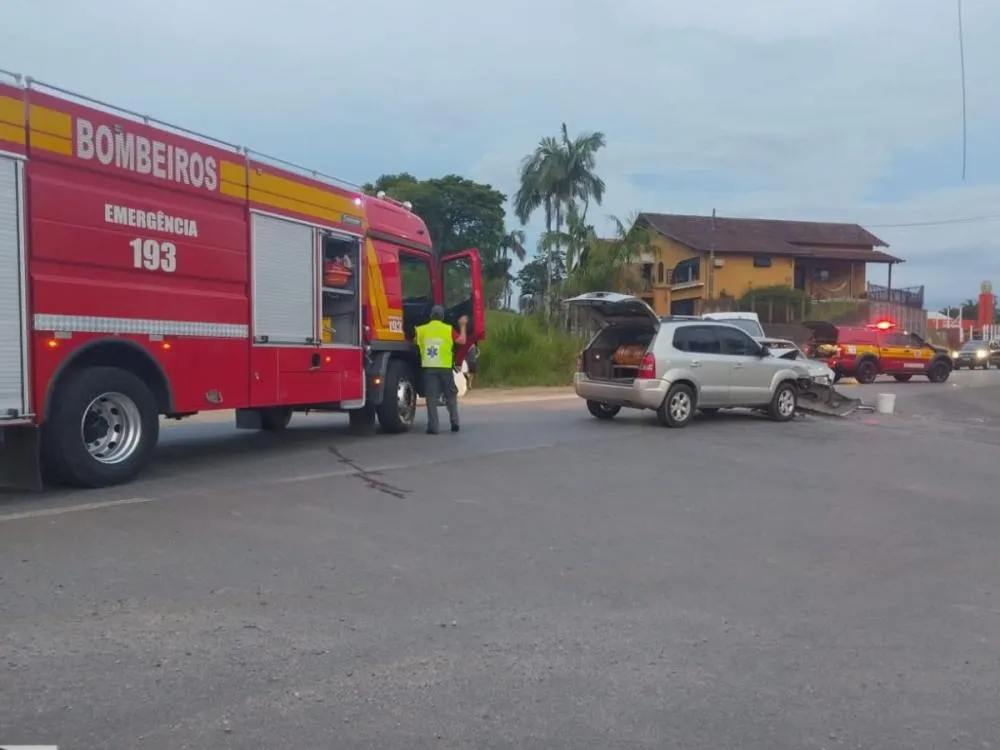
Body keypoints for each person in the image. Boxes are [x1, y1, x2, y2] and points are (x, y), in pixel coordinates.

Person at [414, 306, 467, 434]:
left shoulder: (421, 330)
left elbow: (414, 342)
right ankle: (455, 422)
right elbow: (462, 341)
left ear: (431, 316)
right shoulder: (448, 329)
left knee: (431, 398)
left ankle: (433, 427)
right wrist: (463, 325)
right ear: (442, 317)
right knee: (450, 396)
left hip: (429, 369)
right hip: (445, 369)